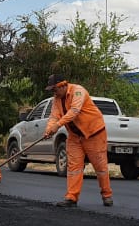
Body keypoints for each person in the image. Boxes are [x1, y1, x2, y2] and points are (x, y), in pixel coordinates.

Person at [44, 74, 112, 208]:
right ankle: (71, 197)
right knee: (74, 167)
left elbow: (74, 111)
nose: (54, 92)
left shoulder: (78, 91)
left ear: (63, 85)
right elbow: (53, 116)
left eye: (55, 89)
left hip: (94, 133)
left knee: (100, 166)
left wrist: (57, 125)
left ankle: (107, 194)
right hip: (75, 136)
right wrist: (48, 129)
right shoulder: (56, 99)